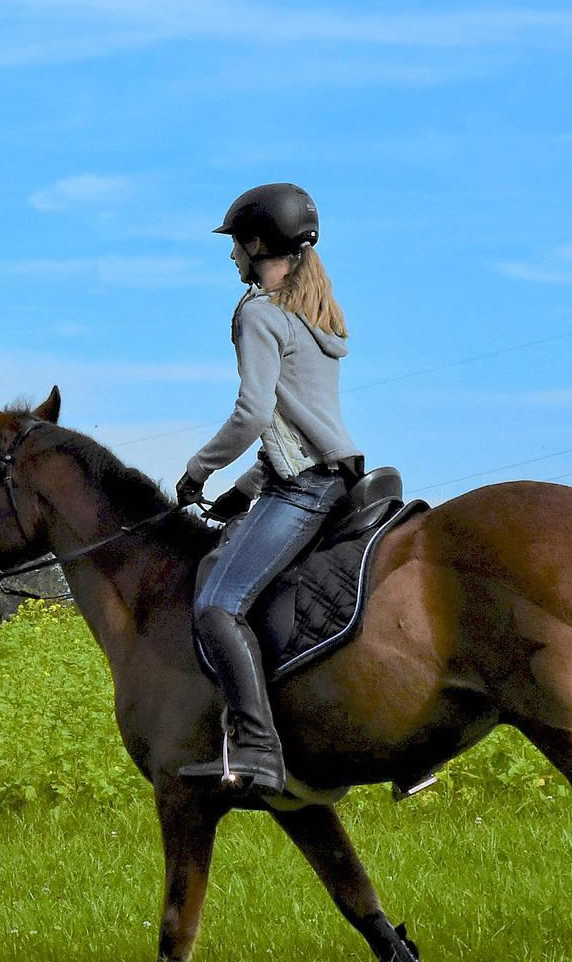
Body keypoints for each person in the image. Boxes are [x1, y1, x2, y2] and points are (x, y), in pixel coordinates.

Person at [175, 183, 363, 795]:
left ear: (257, 246)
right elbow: (298, 420)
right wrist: (246, 487)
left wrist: (199, 471)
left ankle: (256, 750)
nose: (231, 256)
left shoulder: (257, 313)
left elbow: (255, 412)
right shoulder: (315, 317)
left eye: (234, 245)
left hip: (305, 489)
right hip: (330, 479)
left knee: (216, 606)